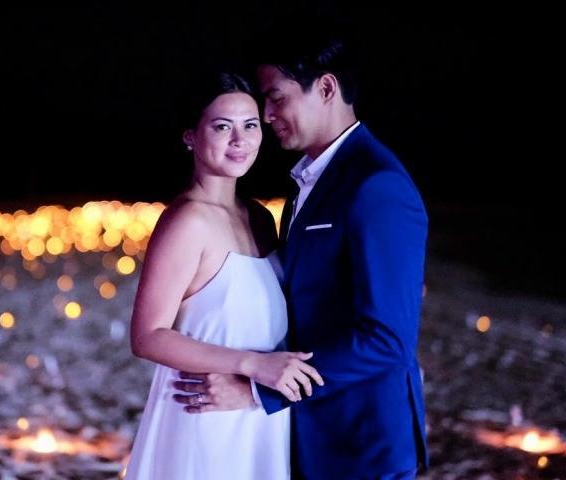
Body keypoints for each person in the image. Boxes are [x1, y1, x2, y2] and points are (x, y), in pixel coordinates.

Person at [173, 36, 430, 479]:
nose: (266, 115)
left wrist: (259, 390)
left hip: (360, 442)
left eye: (276, 98)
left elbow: (388, 339)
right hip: (309, 433)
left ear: (326, 88)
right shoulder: (307, 182)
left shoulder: (376, 184)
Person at [124, 71, 323, 480]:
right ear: (190, 136)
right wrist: (253, 365)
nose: (240, 140)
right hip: (205, 414)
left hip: (256, 410)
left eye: (250, 125)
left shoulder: (259, 218)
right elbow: (147, 336)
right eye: (222, 126)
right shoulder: (186, 221)